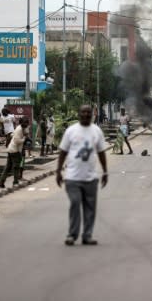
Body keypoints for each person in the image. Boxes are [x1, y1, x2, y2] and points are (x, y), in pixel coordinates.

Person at [56, 105, 108, 246]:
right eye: (83, 112)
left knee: (90, 207)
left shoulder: (97, 131)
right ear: (79, 114)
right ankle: (72, 235)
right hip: (72, 177)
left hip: (91, 178)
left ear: (92, 114)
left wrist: (105, 171)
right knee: (75, 202)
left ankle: (87, 235)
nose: (85, 114)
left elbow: (101, 152)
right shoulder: (71, 131)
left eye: (88, 112)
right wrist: (58, 171)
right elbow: (63, 152)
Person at [0, 117, 28, 188]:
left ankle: (1, 182)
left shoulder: (20, 128)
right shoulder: (19, 129)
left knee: (8, 167)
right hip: (15, 150)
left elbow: (12, 135)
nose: (26, 124)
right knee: (16, 167)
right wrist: (24, 139)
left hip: (11, 149)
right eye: (25, 123)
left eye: (27, 123)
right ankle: (15, 182)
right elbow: (17, 140)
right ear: (21, 123)